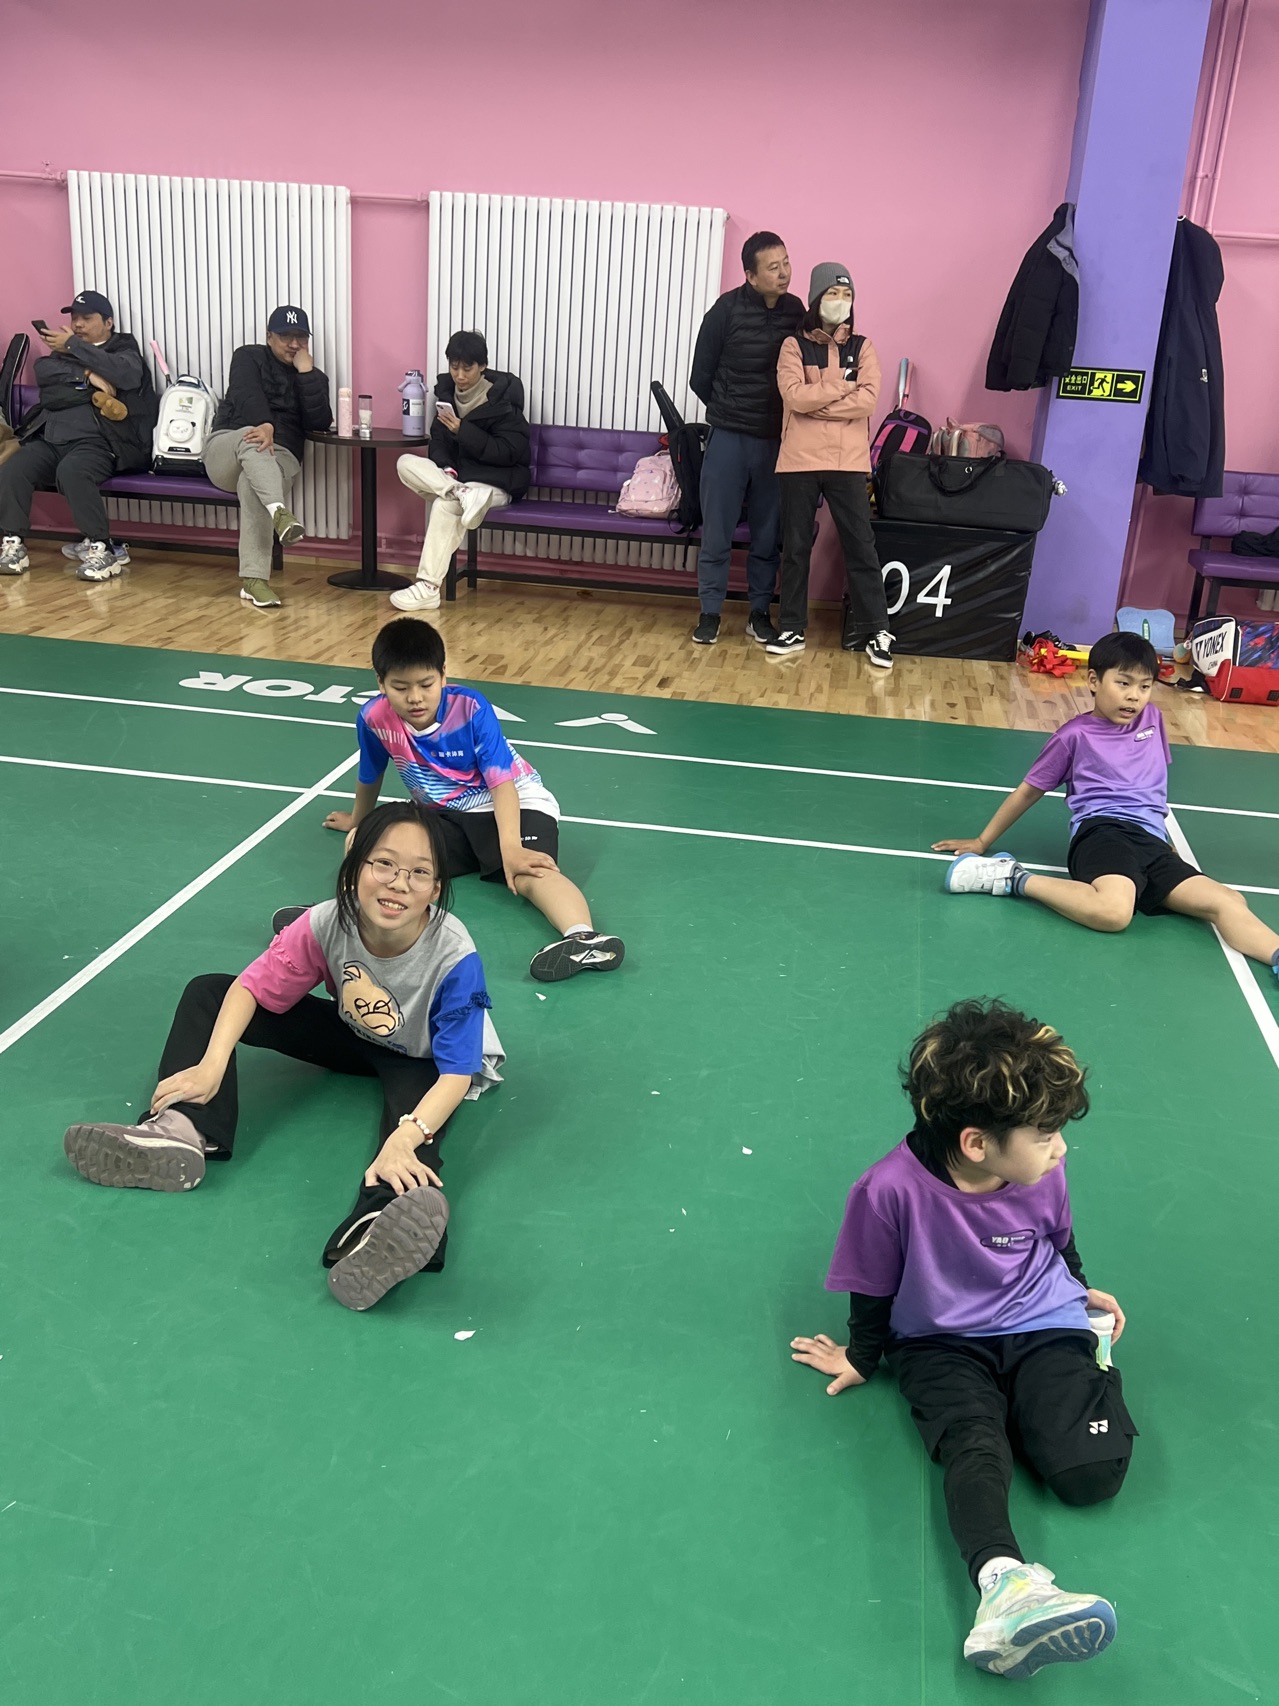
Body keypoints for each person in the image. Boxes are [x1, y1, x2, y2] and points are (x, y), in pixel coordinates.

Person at [792, 998, 1132, 1680]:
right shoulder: (887, 1191)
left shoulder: (1042, 1169)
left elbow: (1056, 1236)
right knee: (976, 1444)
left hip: (1041, 1319)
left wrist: (1078, 1288)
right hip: (938, 1341)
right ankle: (1006, 1588)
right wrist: (861, 1357)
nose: (1060, 1148)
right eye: (1045, 1135)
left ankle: (1060, 1382)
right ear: (977, 1143)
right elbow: (871, 1289)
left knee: (1089, 1478)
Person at [62, 803, 503, 1311]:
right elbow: (250, 988)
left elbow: (456, 1073)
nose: (399, 883)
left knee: (406, 1149)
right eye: (384, 863)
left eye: (419, 872)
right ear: (355, 867)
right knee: (210, 992)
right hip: (352, 1032)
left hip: (425, 1059)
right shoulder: (326, 921)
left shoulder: (454, 955)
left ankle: (377, 1227)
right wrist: (212, 1063)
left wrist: (407, 1136)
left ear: (436, 888)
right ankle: (181, 1130)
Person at [933, 631, 1279, 982]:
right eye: (1123, 683)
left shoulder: (1153, 719)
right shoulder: (1073, 736)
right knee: (1114, 912)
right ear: (1094, 681)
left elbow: (1152, 782)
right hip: (1102, 833)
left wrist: (1162, 837)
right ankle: (1011, 877)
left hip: (1151, 842)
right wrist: (982, 841)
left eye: (1144, 686)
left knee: (1228, 901)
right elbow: (1028, 792)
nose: (1134, 695)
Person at [301, 617, 624, 983]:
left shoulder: (470, 708)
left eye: (426, 684)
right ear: (381, 683)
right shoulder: (374, 717)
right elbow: (370, 772)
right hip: (444, 816)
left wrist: (511, 848)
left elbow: (501, 783)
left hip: (516, 804)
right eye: (400, 687)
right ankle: (334, 921)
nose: (415, 697)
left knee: (529, 872)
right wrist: (358, 820)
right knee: (362, 842)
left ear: (443, 675)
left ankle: (583, 939)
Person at [766, 262, 894, 667]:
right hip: (798, 461)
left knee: (861, 546)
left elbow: (867, 400)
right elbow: (793, 396)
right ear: (816, 298)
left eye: (847, 294)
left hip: (848, 462)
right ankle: (791, 627)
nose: (841, 301)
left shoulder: (864, 347)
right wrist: (842, 387)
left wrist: (816, 401)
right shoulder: (793, 346)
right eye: (833, 294)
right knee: (795, 547)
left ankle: (877, 630)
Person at [687, 231, 805, 647]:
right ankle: (709, 613)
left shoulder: (796, 311)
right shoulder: (725, 310)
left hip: (775, 443)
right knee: (716, 532)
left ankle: (759, 613)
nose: (784, 273)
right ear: (751, 276)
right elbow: (700, 377)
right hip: (729, 439)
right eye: (773, 267)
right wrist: (731, 410)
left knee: (767, 535)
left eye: (786, 263)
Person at [0, 290, 157, 582]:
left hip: (100, 444)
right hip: (51, 439)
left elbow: (125, 375)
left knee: (72, 472)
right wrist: (86, 376)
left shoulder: (124, 349)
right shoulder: (61, 355)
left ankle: (102, 548)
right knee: (15, 468)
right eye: (75, 319)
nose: (78, 324)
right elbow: (45, 374)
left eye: (86, 318)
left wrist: (73, 346)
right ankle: (13, 543)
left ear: (108, 322)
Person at [391, 330, 530, 613]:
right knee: (405, 462)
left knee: (446, 505)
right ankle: (459, 492)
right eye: (454, 367)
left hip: (496, 484)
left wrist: (462, 430)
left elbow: (510, 453)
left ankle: (428, 587)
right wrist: (447, 469)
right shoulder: (446, 396)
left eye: (467, 368)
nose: (460, 375)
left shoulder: (504, 402)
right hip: (460, 481)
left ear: (482, 366)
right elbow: (438, 443)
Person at [204, 305, 333, 609]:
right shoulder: (248, 356)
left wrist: (306, 375)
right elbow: (246, 393)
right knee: (254, 439)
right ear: (269, 337)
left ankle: (254, 581)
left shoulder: (314, 377)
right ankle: (279, 512)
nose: (294, 344)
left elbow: (319, 423)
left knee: (253, 484)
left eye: (301, 337)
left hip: (280, 459)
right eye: (286, 336)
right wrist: (265, 425)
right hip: (228, 447)